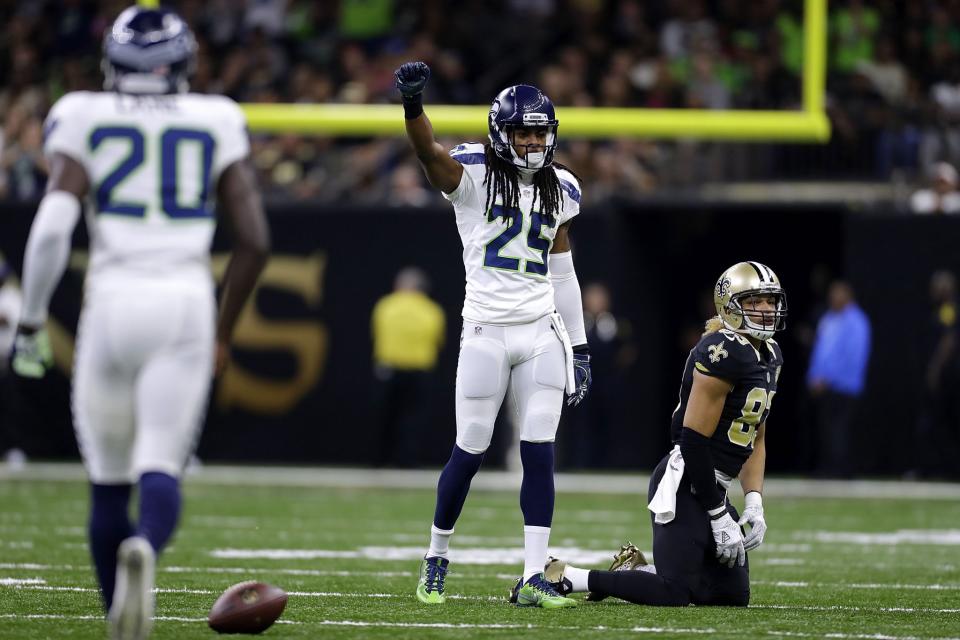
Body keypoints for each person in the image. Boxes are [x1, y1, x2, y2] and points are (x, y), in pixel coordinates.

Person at [11, 7, 269, 639]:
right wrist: (223, 332)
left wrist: (31, 322)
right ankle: (147, 548)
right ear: (182, 63)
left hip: (111, 301)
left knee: (106, 483)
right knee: (160, 461)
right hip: (182, 297)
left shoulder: (81, 112)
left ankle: (116, 614)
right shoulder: (216, 116)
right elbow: (256, 241)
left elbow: (49, 230)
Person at [395, 61, 591, 608]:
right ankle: (436, 555)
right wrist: (414, 107)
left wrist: (578, 345)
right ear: (501, 133)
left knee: (540, 450)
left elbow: (563, 272)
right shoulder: (474, 172)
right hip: (485, 329)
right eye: (523, 132)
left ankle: (533, 575)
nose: (532, 142)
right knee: (471, 448)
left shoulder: (564, 188)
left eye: (540, 133)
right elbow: (428, 154)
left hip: (540, 331)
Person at [544, 262, 786, 607]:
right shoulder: (722, 351)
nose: (766, 310)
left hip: (715, 484)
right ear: (730, 305)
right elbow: (693, 441)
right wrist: (718, 513)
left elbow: (755, 436)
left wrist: (754, 501)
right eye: (755, 301)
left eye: (770, 301)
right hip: (687, 481)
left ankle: (637, 571)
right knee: (675, 592)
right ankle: (569, 575)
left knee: (731, 595)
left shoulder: (771, 354)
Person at [370, 266, 446, 467]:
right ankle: (408, 461)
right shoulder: (432, 311)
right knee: (413, 419)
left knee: (387, 417)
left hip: (389, 369)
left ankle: (381, 460)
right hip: (420, 370)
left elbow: (377, 334)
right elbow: (437, 341)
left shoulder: (385, 305)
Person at [806, 280, 871, 477]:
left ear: (847, 295)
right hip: (822, 385)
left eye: (837, 294)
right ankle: (827, 468)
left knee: (839, 429)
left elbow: (852, 356)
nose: (832, 298)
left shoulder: (857, 321)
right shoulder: (829, 318)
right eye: (831, 294)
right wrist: (813, 377)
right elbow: (821, 350)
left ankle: (840, 470)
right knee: (825, 429)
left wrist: (829, 379)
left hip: (844, 386)